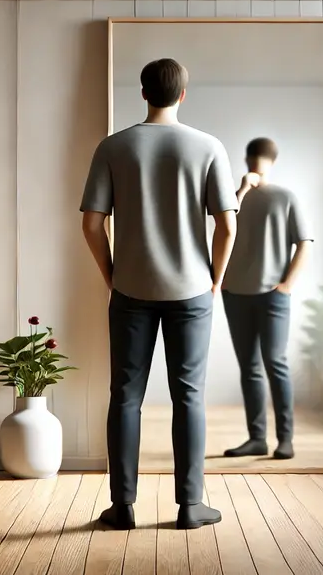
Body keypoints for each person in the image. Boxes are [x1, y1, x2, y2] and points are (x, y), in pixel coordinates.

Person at [80, 58, 238, 531]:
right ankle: (190, 507)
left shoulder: (113, 147)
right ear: (183, 95)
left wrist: (111, 274)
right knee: (188, 396)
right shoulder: (209, 146)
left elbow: (91, 223)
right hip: (192, 290)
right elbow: (227, 224)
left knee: (125, 397)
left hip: (130, 287)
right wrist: (214, 279)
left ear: (143, 92)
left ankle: (121, 507)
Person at [220, 137, 313, 461]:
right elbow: (223, 222)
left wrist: (287, 284)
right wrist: (243, 190)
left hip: (272, 296)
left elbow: (304, 242)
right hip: (235, 293)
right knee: (250, 367)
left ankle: (284, 439)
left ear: (253, 158)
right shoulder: (235, 199)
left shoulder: (286, 197)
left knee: (274, 365)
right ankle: (257, 438)